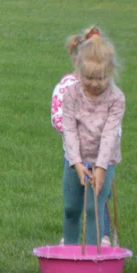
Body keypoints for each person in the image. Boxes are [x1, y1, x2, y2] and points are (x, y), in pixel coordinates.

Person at [60, 27, 125, 247]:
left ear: (111, 71)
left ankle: (91, 259)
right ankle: (68, 252)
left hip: (104, 161)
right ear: (78, 69)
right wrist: (76, 162)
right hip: (74, 159)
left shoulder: (116, 99)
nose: (94, 84)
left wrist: (101, 167)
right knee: (71, 208)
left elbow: (110, 134)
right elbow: (68, 130)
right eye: (88, 77)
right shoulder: (71, 95)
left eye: (101, 78)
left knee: (93, 210)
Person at [51, 26, 111, 245]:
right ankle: (71, 244)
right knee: (73, 203)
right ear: (77, 61)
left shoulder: (108, 92)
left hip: (102, 155)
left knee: (97, 200)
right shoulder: (66, 87)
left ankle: (101, 238)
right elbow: (60, 120)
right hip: (73, 154)